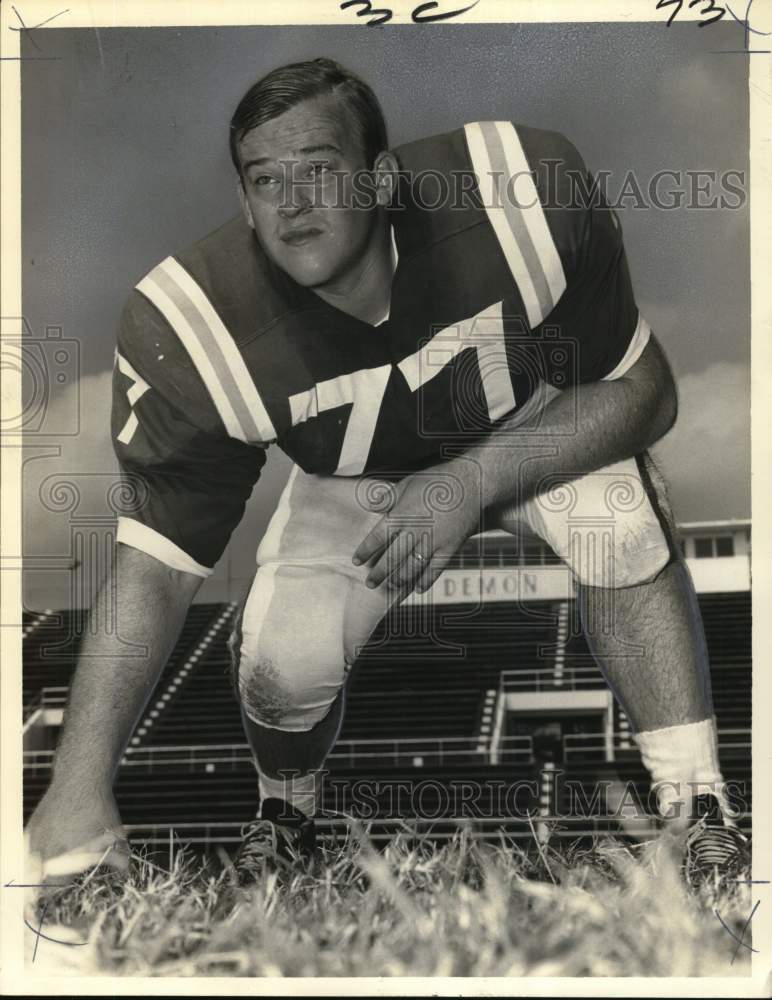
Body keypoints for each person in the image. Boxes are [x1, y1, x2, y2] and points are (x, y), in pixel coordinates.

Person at [25, 58, 746, 886]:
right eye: (266, 180)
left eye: (320, 170)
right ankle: (287, 811)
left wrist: (466, 482)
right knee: (282, 657)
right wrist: (77, 786)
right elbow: (153, 568)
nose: (292, 203)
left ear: (381, 177)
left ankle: (698, 808)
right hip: (350, 482)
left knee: (620, 516)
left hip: (528, 431)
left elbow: (642, 392)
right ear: (243, 202)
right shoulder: (196, 326)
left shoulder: (517, 198)